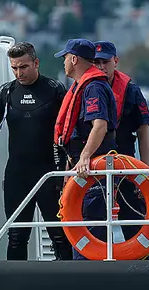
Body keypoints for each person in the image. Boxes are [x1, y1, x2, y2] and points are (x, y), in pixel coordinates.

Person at [0, 41, 73, 261]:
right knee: (17, 234)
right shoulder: (6, 92)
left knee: (58, 234)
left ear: (36, 63)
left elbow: (68, 128)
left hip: (50, 172)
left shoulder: (54, 90)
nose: (19, 73)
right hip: (18, 174)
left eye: (24, 67)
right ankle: (15, 284)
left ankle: (64, 281)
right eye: (14, 68)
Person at [52, 38, 118, 260]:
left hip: (93, 173)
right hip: (80, 169)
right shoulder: (84, 86)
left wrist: (84, 157)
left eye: (65, 58)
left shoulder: (93, 87)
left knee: (90, 229)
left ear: (73, 59)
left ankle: (90, 280)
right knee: (82, 228)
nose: (64, 64)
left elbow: (100, 125)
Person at [92, 41, 149, 246]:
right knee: (95, 225)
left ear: (115, 62)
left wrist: (146, 172)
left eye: (105, 62)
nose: (101, 67)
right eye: (96, 62)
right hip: (96, 167)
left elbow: (144, 132)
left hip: (127, 165)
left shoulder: (131, 91)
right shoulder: (86, 89)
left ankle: (141, 265)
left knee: (134, 223)